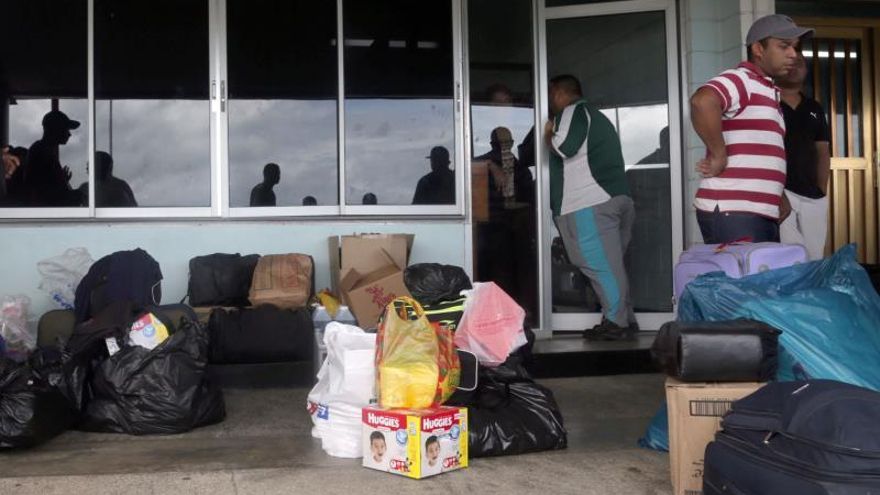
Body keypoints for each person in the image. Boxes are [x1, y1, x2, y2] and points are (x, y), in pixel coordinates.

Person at [691, 14, 813, 243]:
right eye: (784, 46)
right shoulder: (742, 79)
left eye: (795, 47)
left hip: (756, 212)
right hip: (735, 211)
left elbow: (763, 152)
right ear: (758, 49)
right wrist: (718, 155)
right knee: (743, 270)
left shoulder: (767, 91)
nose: (793, 54)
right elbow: (702, 102)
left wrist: (778, 194)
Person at [545, 74, 636, 341]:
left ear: (559, 93)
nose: (549, 101)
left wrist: (547, 132)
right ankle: (622, 318)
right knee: (611, 265)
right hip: (613, 198)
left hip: (590, 202)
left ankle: (617, 323)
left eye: (550, 95)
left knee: (598, 265)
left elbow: (564, 147)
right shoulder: (597, 117)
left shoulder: (573, 111)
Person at [777, 53, 830, 260]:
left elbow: (822, 150)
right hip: (782, 192)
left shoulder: (814, 108)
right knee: (790, 256)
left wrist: (822, 188)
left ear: (805, 70)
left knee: (815, 256)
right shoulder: (769, 104)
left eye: (799, 63)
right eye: (788, 61)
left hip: (813, 195)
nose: (794, 66)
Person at [24, 110, 81, 206]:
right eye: (66, 129)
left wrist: (62, 181)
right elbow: (44, 192)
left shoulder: (42, 149)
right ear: (56, 129)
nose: (69, 134)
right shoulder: (42, 151)